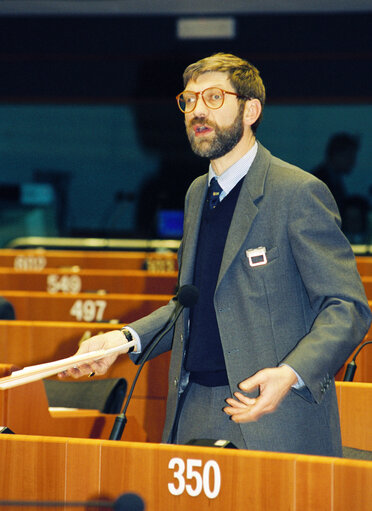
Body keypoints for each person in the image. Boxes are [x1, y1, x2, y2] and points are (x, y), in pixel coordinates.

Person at [61, 53, 371, 456]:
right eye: (189, 101)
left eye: (213, 98)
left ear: (250, 110)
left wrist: (292, 374)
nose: (197, 111)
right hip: (191, 408)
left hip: (270, 412)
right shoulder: (196, 194)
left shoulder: (296, 192)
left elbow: (347, 307)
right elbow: (191, 305)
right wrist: (123, 341)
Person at [312, 133, 360, 221]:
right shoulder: (319, 182)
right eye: (349, 156)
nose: (352, 162)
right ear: (336, 154)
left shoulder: (333, 180)